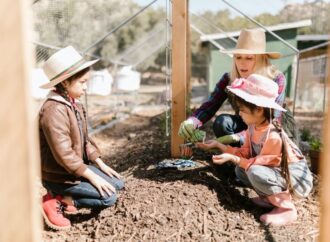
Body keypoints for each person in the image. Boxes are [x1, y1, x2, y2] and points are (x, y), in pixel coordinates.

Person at [196, 74, 313, 226]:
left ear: (258, 110)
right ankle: (270, 198)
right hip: (278, 174)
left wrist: (234, 159)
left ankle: (287, 209)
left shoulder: (273, 136)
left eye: (243, 110)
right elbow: (244, 154)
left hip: (296, 180)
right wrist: (219, 146)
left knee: (254, 171)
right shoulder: (253, 128)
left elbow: (256, 164)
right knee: (241, 171)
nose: (239, 114)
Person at [39, 46, 124, 230]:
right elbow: (64, 155)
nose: (86, 87)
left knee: (117, 183)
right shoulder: (53, 111)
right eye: (82, 82)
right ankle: (58, 200)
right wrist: (93, 177)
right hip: (59, 176)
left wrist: (101, 165)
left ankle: (63, 197)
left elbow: (84, 140)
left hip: (73, 171)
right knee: (109, 197)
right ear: (64, 83)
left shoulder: (74, 104)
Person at [179, 28, 286, 145]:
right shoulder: (229, 78)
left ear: (261, 59)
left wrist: (238, 137)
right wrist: (192, 121)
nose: (241, 63)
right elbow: (211, 104)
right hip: (243, 122)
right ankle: (234, 156)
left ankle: (245, 156)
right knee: (222, 122)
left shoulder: (277, 79)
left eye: (249, 58)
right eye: (238, 57)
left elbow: (272, 118)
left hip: (270, 131)